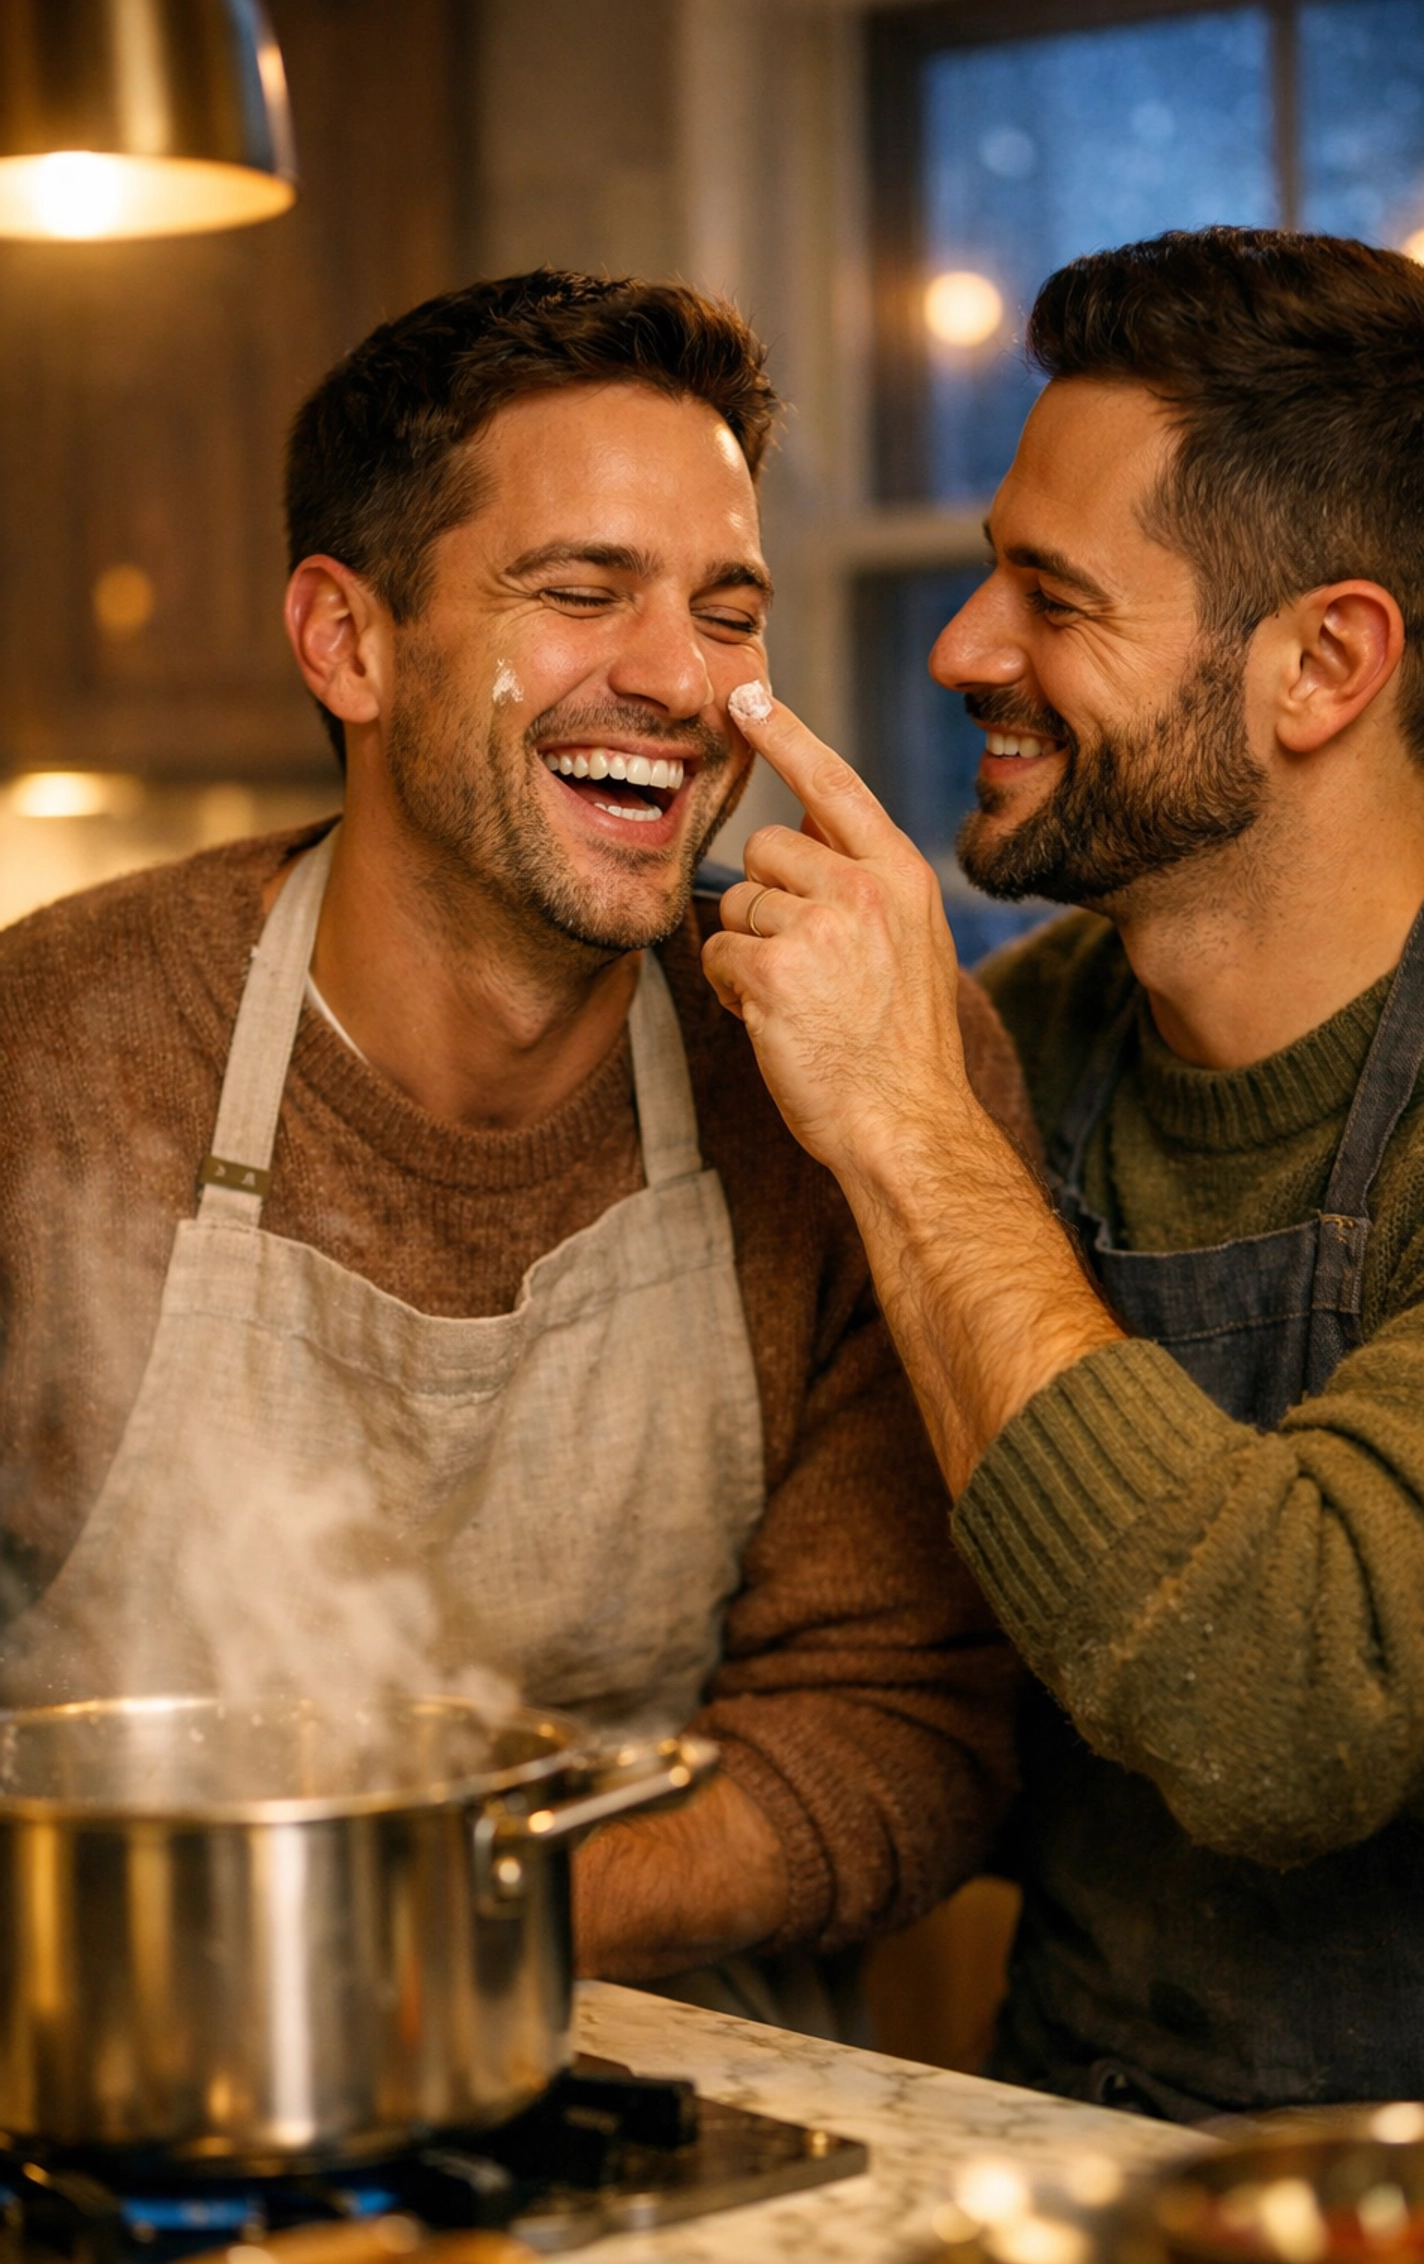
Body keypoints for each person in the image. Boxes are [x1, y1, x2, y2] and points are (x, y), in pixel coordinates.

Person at [0, 271, 1027, 1991]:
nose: (681, 683)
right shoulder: (58, 1050)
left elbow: (899, 1720)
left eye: (728, 609)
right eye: (579, 593)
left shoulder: (853, 1077)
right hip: (122, 2036)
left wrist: (427, 1937)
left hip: (687, 2127)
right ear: (350, 641)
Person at [702, 228, 1424, 2111]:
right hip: (1050, 2153)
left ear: (1324, 662)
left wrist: (908, 1131)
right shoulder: (1031, 1031)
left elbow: (1291, 1702)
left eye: (1050, 597)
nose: (961, 648)